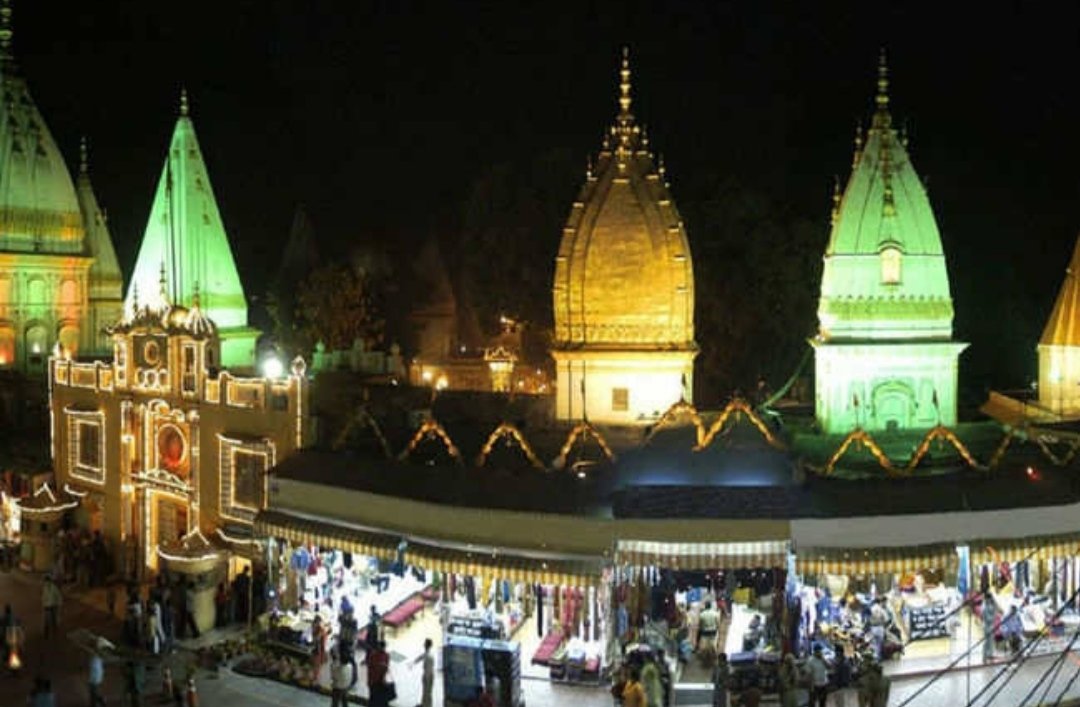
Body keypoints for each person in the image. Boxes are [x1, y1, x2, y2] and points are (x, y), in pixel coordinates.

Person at [365, 639, 390, 707]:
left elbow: (387, 667)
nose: (382, 648)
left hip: (380, 681)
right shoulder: (373, 655)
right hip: (374, 681)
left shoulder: (386, 655)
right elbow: (370, 668)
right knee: (373, 699)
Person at [414, 637, 435, 707]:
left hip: (428, 676)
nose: (424, 645)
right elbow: (421, 657)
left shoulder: (429, 656)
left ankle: (426, 705)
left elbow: (428, 670)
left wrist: (426, 678)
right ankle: (424, 704)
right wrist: (414, 662)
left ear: (426, 645)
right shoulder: (427, 654)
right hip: (428, 675)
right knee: (426, 692)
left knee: (427, 692)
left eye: (425, 644)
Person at [88, 636, 108, 707]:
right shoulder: (97, 654)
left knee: (94, 692)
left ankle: (102, 702)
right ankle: (100, 702)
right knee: (93, 692)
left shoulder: (96, 654)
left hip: (95, 676)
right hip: (95, 675)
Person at [41, 574, 62, 638]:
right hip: (47, 606)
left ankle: (54, 631)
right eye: (45, 581)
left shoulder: (54, 588)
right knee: (46, 620)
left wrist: (59, 605)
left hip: (53, 606)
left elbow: (59, 597)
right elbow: (44, 597)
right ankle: (46, 633)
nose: (46, 583)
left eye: (47, 581)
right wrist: (44, 604)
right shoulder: (45, 588)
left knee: (54, 619)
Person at [981, 592, 997, 662]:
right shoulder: (985, 606)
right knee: (987, 641)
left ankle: (990, 654)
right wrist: (993, 616)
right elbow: (988, 618)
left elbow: (994, 611)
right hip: (987, 626)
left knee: (991, 641)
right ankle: (985, 655)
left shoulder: (991, 605)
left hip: (991, 626)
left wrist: (994, 612)